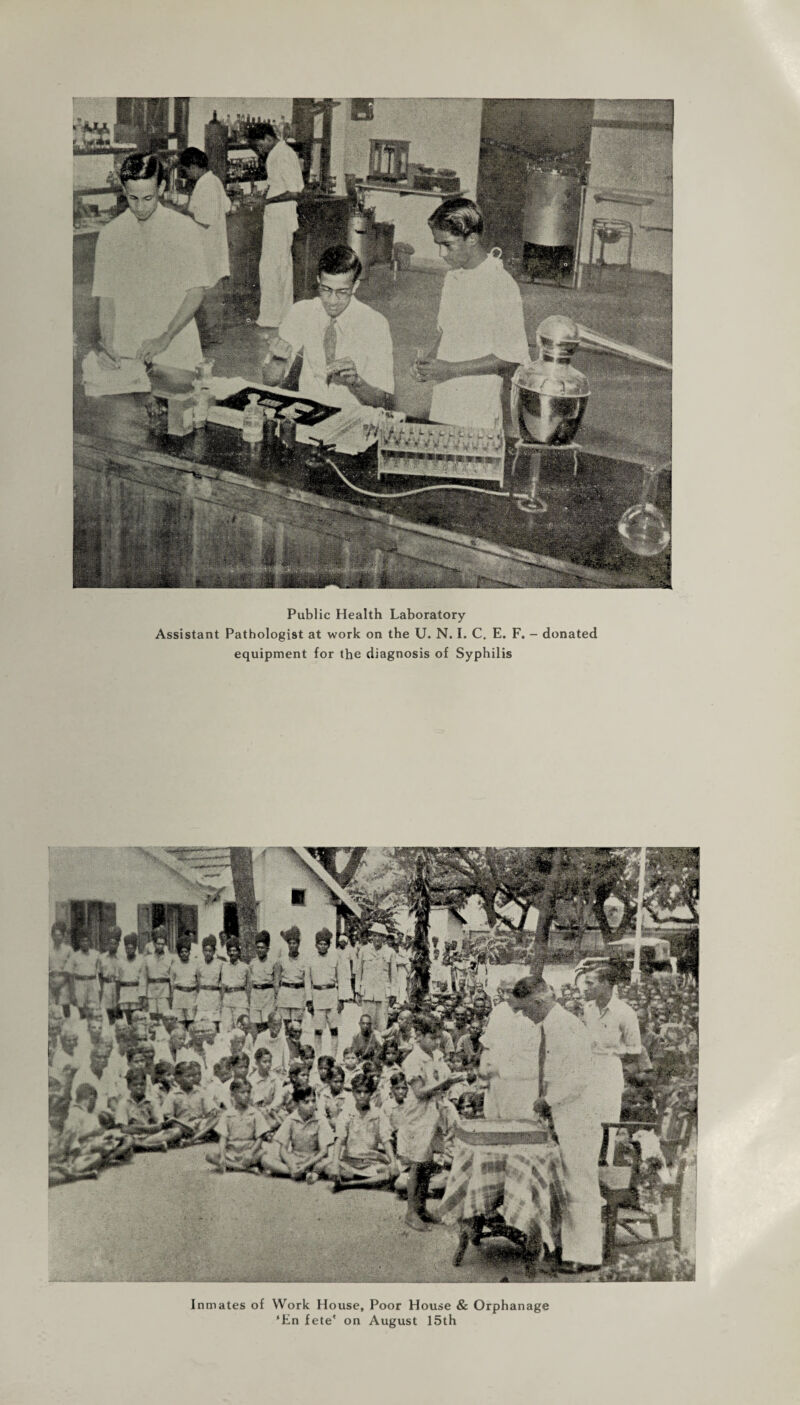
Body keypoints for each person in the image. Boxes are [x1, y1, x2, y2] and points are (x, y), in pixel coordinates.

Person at [412, 197, 529, 428]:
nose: (440, 253)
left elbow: (510, 358)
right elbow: (448, 332)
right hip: (445, 394)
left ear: (472, 239)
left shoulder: (500, 284)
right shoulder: (453, 277)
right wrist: (429, 362)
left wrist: (451, 370)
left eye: (448, 245)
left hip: (477, 402)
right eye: (438, 244)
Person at [513, 977, 603, 1273]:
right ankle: (568, 1247)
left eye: (526, 1009)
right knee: (568, 1182)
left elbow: (578, 1079)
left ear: (539, 1002)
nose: (525, 1015)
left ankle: (585, 1255)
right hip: (566, 1115)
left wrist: (548, 1101)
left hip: (579, 1116)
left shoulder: (565, 1027)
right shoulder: (551, 1025)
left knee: (580, 1184)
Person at [92, 152, 208, 373]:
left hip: (175, 344)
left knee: (178, 405)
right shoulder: (110, 235)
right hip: (128, 346)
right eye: (132, 198)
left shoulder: (184, 229)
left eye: (148, 198)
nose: (141, 207)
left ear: (161, 188)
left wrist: (166, 336)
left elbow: (196, 291)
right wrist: (107, 345)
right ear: (124, 190)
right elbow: (106, 297)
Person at [266, 244, 394, 409]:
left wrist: (356, 382)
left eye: (342, 292)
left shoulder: (375, 324)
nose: (332, 301)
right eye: (326, 289)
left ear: (355, 286)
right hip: (310, 413)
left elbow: (382, 400)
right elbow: (269, 381)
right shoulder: (301, 312)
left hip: (353, 419)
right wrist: (278, 360)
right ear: (318, 280)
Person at [399, 1014, 461, 1231]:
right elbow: (419, 1092)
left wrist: (451, 1081)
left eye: (438, 1038)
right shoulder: (412, 1060)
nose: (436, 1042)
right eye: (432, 1038)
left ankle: (422, 1207)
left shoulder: (437, 1055)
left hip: (433, 1113)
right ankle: (410, 1211)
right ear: (420, 1037)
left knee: (428, 1163)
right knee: (417, 1163)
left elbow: (441, 1080)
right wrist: (445, 1082)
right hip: (418, 1114)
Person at [248, 122, 304, 330]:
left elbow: (294, 192)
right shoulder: (280, 153)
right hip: (278, 218)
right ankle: (282, 315)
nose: (258, 150)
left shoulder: (282, 154)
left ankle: (272, 318)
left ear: (268, 138)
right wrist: (264, 196)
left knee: (272, 268)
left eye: (259, 145)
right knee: (280, 267)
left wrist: (265, 201)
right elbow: (280, 186)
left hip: (280, 219)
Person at [179, 146, 231, 344]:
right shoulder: (213, 180)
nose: (187, 175)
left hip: (207, 245)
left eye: (186, 170)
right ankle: (211, 333)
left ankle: (210, 335)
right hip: (212, 243)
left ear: (194, 166)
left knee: (208, 290)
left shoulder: (207, 184)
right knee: (212, 286)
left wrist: (184, 212)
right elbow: (226, 206)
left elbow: (205, 219)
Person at [581, 964, 642, 1128]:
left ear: (606, 983)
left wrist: (614, 1071)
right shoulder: (588, 1008)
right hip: (588, 1068)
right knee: (587, 1120)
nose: (585, 988)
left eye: (590, 983)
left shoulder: (625, 1012)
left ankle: (607, 1154)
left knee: (608, 1121)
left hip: (611, 1070)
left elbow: (634, 1051)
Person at [328, 1070, 397, 1190]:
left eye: (366, 1092)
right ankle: (363, 1180)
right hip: (350, 1161)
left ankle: (350, 1185)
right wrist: (335, 1164)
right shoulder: (347, 1113)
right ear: (353, 1092)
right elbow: (339, 1139)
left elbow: (386, 1139)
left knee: (390, 1172)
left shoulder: (378, 1114)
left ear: (371, 1094)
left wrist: (393, 1162)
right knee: (330, 1166)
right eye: (358, 1092)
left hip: (371, 1162)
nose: (362, 1095)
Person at [260, 1085, 333, 1182]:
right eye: (306, 1102)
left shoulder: (320, 1119)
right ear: (297, 1104)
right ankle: (300, 1173)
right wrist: (291, 1166)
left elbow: (323, 1151)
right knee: (265, 1160)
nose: (311, 1105)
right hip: (295, 1158)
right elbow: (283, 1149)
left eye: (313, 1101)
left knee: (330, 1162)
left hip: (314, 1160)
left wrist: (305, 1165)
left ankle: (303, 1172)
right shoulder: (291, 1119)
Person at [207, 1078, 271, 1173]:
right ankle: (246, 1168)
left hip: (249, 1150)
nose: (246, 1095)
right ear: (233, 1094)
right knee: (210, 1156)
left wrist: (250, 1152)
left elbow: (260, 1137)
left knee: (264, 1153)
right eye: (242, 1092)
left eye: (248, 1092)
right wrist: (223, 1156)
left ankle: (233, 1166)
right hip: (231, 1152)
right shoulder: (227, 1114)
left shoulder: (255, 1113)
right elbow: (223, 1138)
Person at [305, 928, 346, 1060]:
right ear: (316, 945)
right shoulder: (310, 960)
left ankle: (333, 1057)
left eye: (325, 944)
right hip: (317, 996)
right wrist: (309, 1001)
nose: (322, 946)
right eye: (320, 944)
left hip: (332, 996)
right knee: (318, 1029)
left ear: (328, 945)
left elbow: (341, 978)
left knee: (334, 1029)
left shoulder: (335, 958)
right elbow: (307, 981)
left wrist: (341, 999)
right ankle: (318, 1057)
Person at [355, 924, 396, 1033]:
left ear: (384, 938)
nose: (377, 938)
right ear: (371, 936)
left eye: (380, 936)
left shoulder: (390, 952)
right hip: (367, 993)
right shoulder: (363, 951)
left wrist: (393, 993)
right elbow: (358, 973)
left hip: (383, 994)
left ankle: (380, 1049)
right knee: (367, 1024)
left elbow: (394, 976)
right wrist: (357, 991)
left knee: (381, 1025)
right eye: (375, 935)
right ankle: (366, 1049)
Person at [273, 927, 307, 1027]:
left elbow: (306, 981)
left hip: (298, 995)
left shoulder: (304, 961)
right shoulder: (281, 960)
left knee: (297, 1026)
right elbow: (276, 981)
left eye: (294, 943)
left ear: (298, 944)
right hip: (285, 995)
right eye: (290, 943)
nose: (292, 946)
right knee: (286, 1026)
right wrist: (277, 996)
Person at [249, 931, 275, 1031]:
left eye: (262, 948)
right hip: (256, 994)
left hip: (268, 995)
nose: (260, 950)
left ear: (267, 949)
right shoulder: (252, 963)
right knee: (257, 1023)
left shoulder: (273, 962)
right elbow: (250, 983)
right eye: (258, 947)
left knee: (267, 1022)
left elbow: (276, 982)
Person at [49, 921, 72, 1016]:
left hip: (64, 981)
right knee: (52, 1008)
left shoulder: (68, 950)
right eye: (55, 935)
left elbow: (70, 968)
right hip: (51, 982)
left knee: (65, 1007)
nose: (57, 938)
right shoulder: (48, 950)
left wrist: (62, 980)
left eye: (59, 935)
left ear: (63, 936)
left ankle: (67, 1028)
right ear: (51, 936)